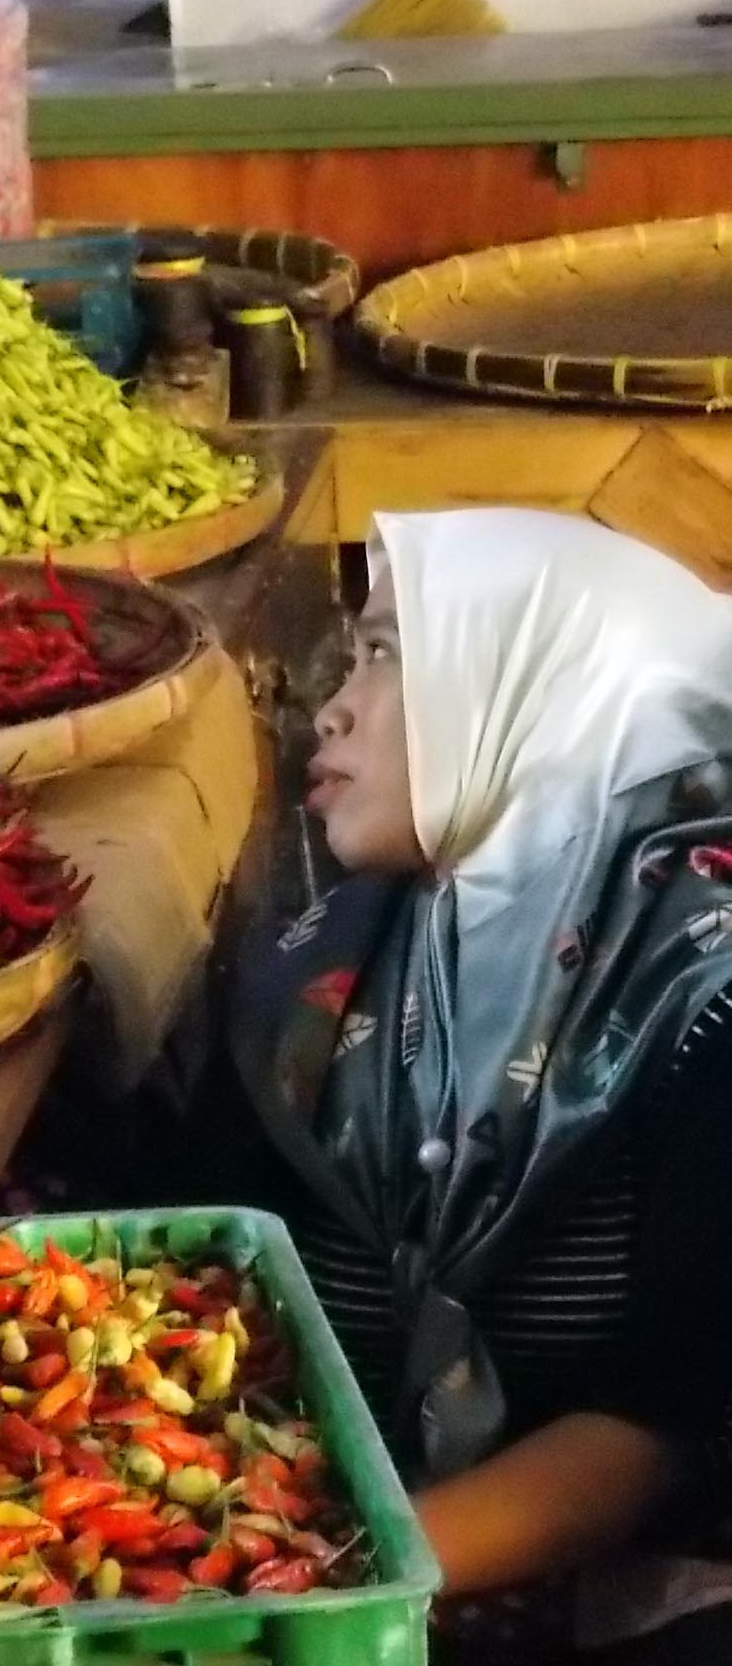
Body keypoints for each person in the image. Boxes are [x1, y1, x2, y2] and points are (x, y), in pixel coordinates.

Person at [182, 509, 732, 1663]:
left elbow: (674, 1417)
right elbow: (191, 1264)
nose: (331, 706)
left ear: (542, 689)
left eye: (385, 654)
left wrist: (329, 1587)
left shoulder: (704, 1005)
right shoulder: (332, 956)